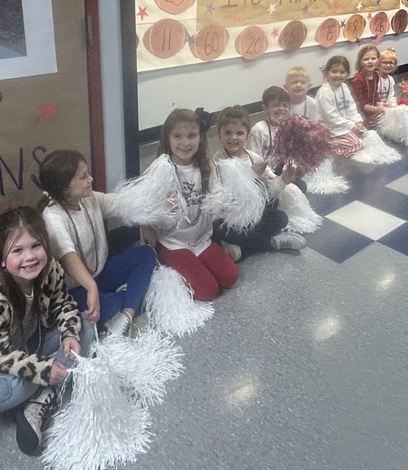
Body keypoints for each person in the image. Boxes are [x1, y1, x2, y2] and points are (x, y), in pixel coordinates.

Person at [0, 207, 92, 456]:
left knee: (84, 326)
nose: (29, 257)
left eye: (36, 245)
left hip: (33, 344)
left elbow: (63, 304)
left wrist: (69, 333)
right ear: (2, 260)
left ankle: (40, 398)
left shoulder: (51, 270)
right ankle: (50, 384)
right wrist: (43, 370)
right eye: (18, 250)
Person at [38, 150, 156, 338]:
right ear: (64, 188)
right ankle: (133, 295)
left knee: (146, 254)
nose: (91, 179)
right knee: (104, 307)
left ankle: (127, 313)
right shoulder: (52, 216)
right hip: (74, 289)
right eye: (83, 177)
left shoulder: (89, 198)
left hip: (100, 273)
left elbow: (122, 204)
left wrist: (145, 222)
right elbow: (68, 257)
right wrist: (91, 287)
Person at [140, 108, 238, 302]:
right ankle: (168, 266)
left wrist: (225, 200)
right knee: (207, 290)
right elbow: (144, 207)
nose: (185, 143)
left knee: (230, 277)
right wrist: (153, 220)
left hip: (201, 238)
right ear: (167, 138)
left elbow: (217, 203)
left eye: (191, 136)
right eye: (178, 136)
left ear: (200, 138)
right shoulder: (160, 169)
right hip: (173, 242)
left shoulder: (208, 166)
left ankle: (201, 260)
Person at [211, 105, 306, 260]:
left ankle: (240, 243)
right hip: (231, 217)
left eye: (239, 133)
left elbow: (266, 194)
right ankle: (271, 243)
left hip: (253, 215)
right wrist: (250, 175)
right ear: (219, 135)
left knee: (280, 218)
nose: (233, 137)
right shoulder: (217, 162)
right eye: (227, 133)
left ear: (247, 135)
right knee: (217, 228)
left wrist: (283, 180)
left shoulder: (254, 158)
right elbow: (223, 201)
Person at [315, 55, 366, 155]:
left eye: (342, 72)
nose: (338, 75)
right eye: (334, 71)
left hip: (344, 124)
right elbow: (331, 118)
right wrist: (351, 125)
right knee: (357, 144)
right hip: (331, 128)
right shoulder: (325, 92)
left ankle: (345, 140)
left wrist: (357, 121)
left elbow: (351, 106)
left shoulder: (344, 87)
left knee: (365, 135)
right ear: (326, 73)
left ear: (347, 74)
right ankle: (328, 145)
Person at [351, 44, 394, 127]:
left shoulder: (375, 75)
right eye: (366, 59)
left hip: (372, 110)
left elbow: (375, 95)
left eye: (373, 58)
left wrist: (379, 103)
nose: (370, 61)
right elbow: (360, 105)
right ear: (360, 62)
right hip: (360, 113)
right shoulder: (358, 79)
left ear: (378, 61)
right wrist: (377, 109)